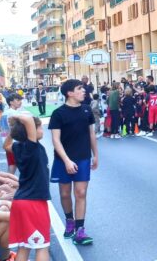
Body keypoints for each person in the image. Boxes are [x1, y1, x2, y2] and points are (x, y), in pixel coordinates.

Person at [48, 79, 98, 245]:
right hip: (63, 159)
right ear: (69, 93)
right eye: (79, 88)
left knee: (81, 193)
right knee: (64, 194)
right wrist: (67, 161)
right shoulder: (58, 113)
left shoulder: (86, 109)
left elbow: (91, 134)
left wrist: (95, 155)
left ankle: (80, 230)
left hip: (83, 157)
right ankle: (69, 220)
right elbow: (55, 140)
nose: (84, 91)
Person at [5, 114, 51, 260]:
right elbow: (28, 120)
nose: (42, 129)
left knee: (24, 246)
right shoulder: (31, 147)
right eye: (39, 127)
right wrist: (14, 117)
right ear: (30, 131)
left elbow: (6, 145)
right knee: (42, 245)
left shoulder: (18, 147)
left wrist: (13, 129)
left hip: (20, 201)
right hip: (34, 202)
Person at [3, 94, 26, 175]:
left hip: (7, 142)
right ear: (11, 102)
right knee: (19, 166)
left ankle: (8, 181)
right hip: (15, 143)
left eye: (20, 100)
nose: (20, 102)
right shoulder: (13, 113)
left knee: (12, 165)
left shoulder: (5, 112)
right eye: (18, 100)